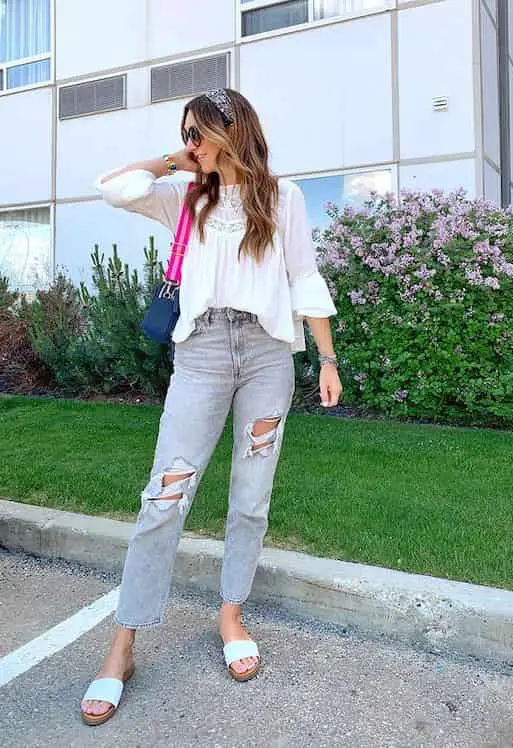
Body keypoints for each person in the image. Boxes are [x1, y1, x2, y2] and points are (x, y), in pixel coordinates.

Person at [80, 88, 342, 726]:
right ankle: (123, 645)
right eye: (185, 133)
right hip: (199, 352)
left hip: (265, 355)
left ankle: (230, 614)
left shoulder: (282, 198)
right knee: (164, 496)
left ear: (235, 131)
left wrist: (327, 358)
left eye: (200, 132)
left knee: (252, 494)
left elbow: (304, 277)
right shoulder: (181, 197)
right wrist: (177, 159)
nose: (191, 143)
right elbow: (110, 186)